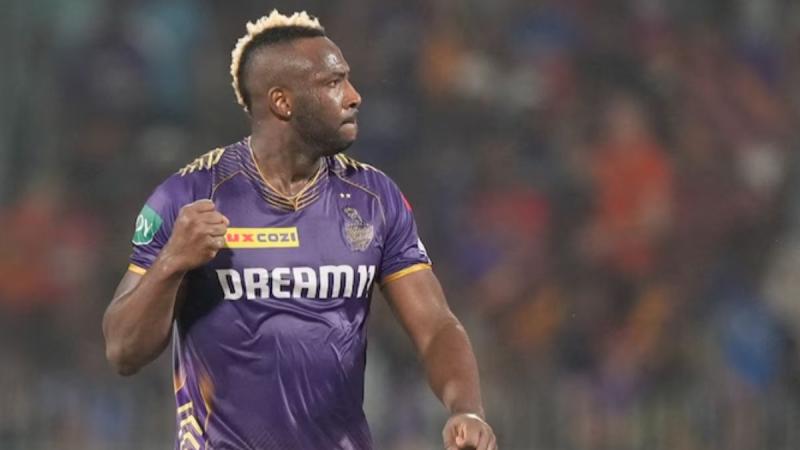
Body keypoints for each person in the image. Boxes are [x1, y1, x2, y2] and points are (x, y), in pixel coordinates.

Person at [102, 10, 497, 450]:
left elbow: (436, 326)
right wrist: (173, 262)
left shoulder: (374, 198)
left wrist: (466, 408)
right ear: (282, 102)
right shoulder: (190, 196)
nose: (354, 96)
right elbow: (122, 350)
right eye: (333, 83)